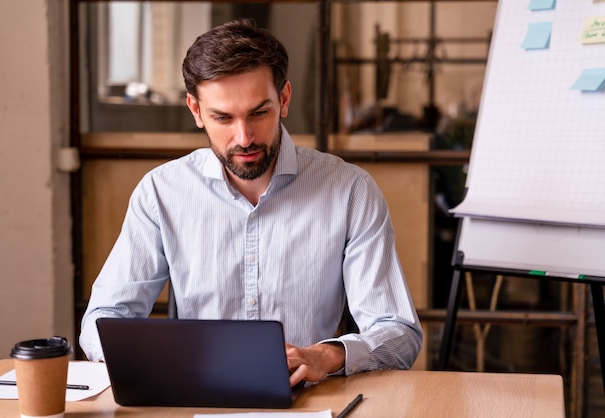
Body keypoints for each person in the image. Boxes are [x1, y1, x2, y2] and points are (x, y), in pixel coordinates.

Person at [80, 18, 423, 387]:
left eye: (259, 113)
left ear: (284, 99)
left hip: (310, 402)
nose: (244, 138)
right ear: (195, 111)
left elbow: (398, 332)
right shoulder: (161, 192)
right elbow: (104, 318)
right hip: (194, 398)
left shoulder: (350, 190)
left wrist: (327, 355)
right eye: (222, 117)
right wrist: (164, 360)